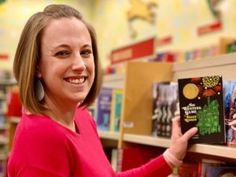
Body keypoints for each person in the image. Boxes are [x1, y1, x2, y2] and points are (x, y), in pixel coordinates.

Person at [7, 4, 197, 177]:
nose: (80, 65)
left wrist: (171, 157)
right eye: (62, 53)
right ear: (36, 66)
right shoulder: (40, 137)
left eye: (85, 52)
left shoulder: (82, 117)